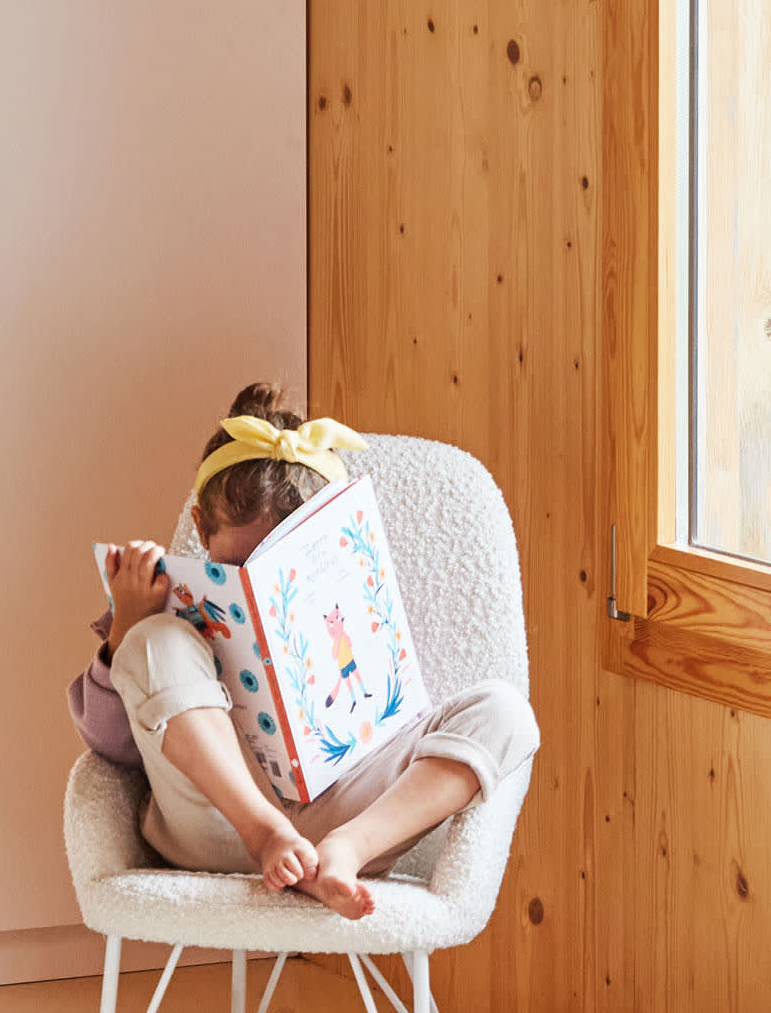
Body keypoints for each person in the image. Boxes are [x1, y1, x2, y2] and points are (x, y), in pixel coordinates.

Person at [68, 382, 539, 919]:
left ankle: (344, 855)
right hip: (216, 822)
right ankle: (266, 832)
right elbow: (108, 748)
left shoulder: (359, 588)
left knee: (506, 713)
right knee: (157, 644)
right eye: (236, 565)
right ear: (200, 527)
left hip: (343, 816)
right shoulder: (156, 601)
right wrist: (127, 626)